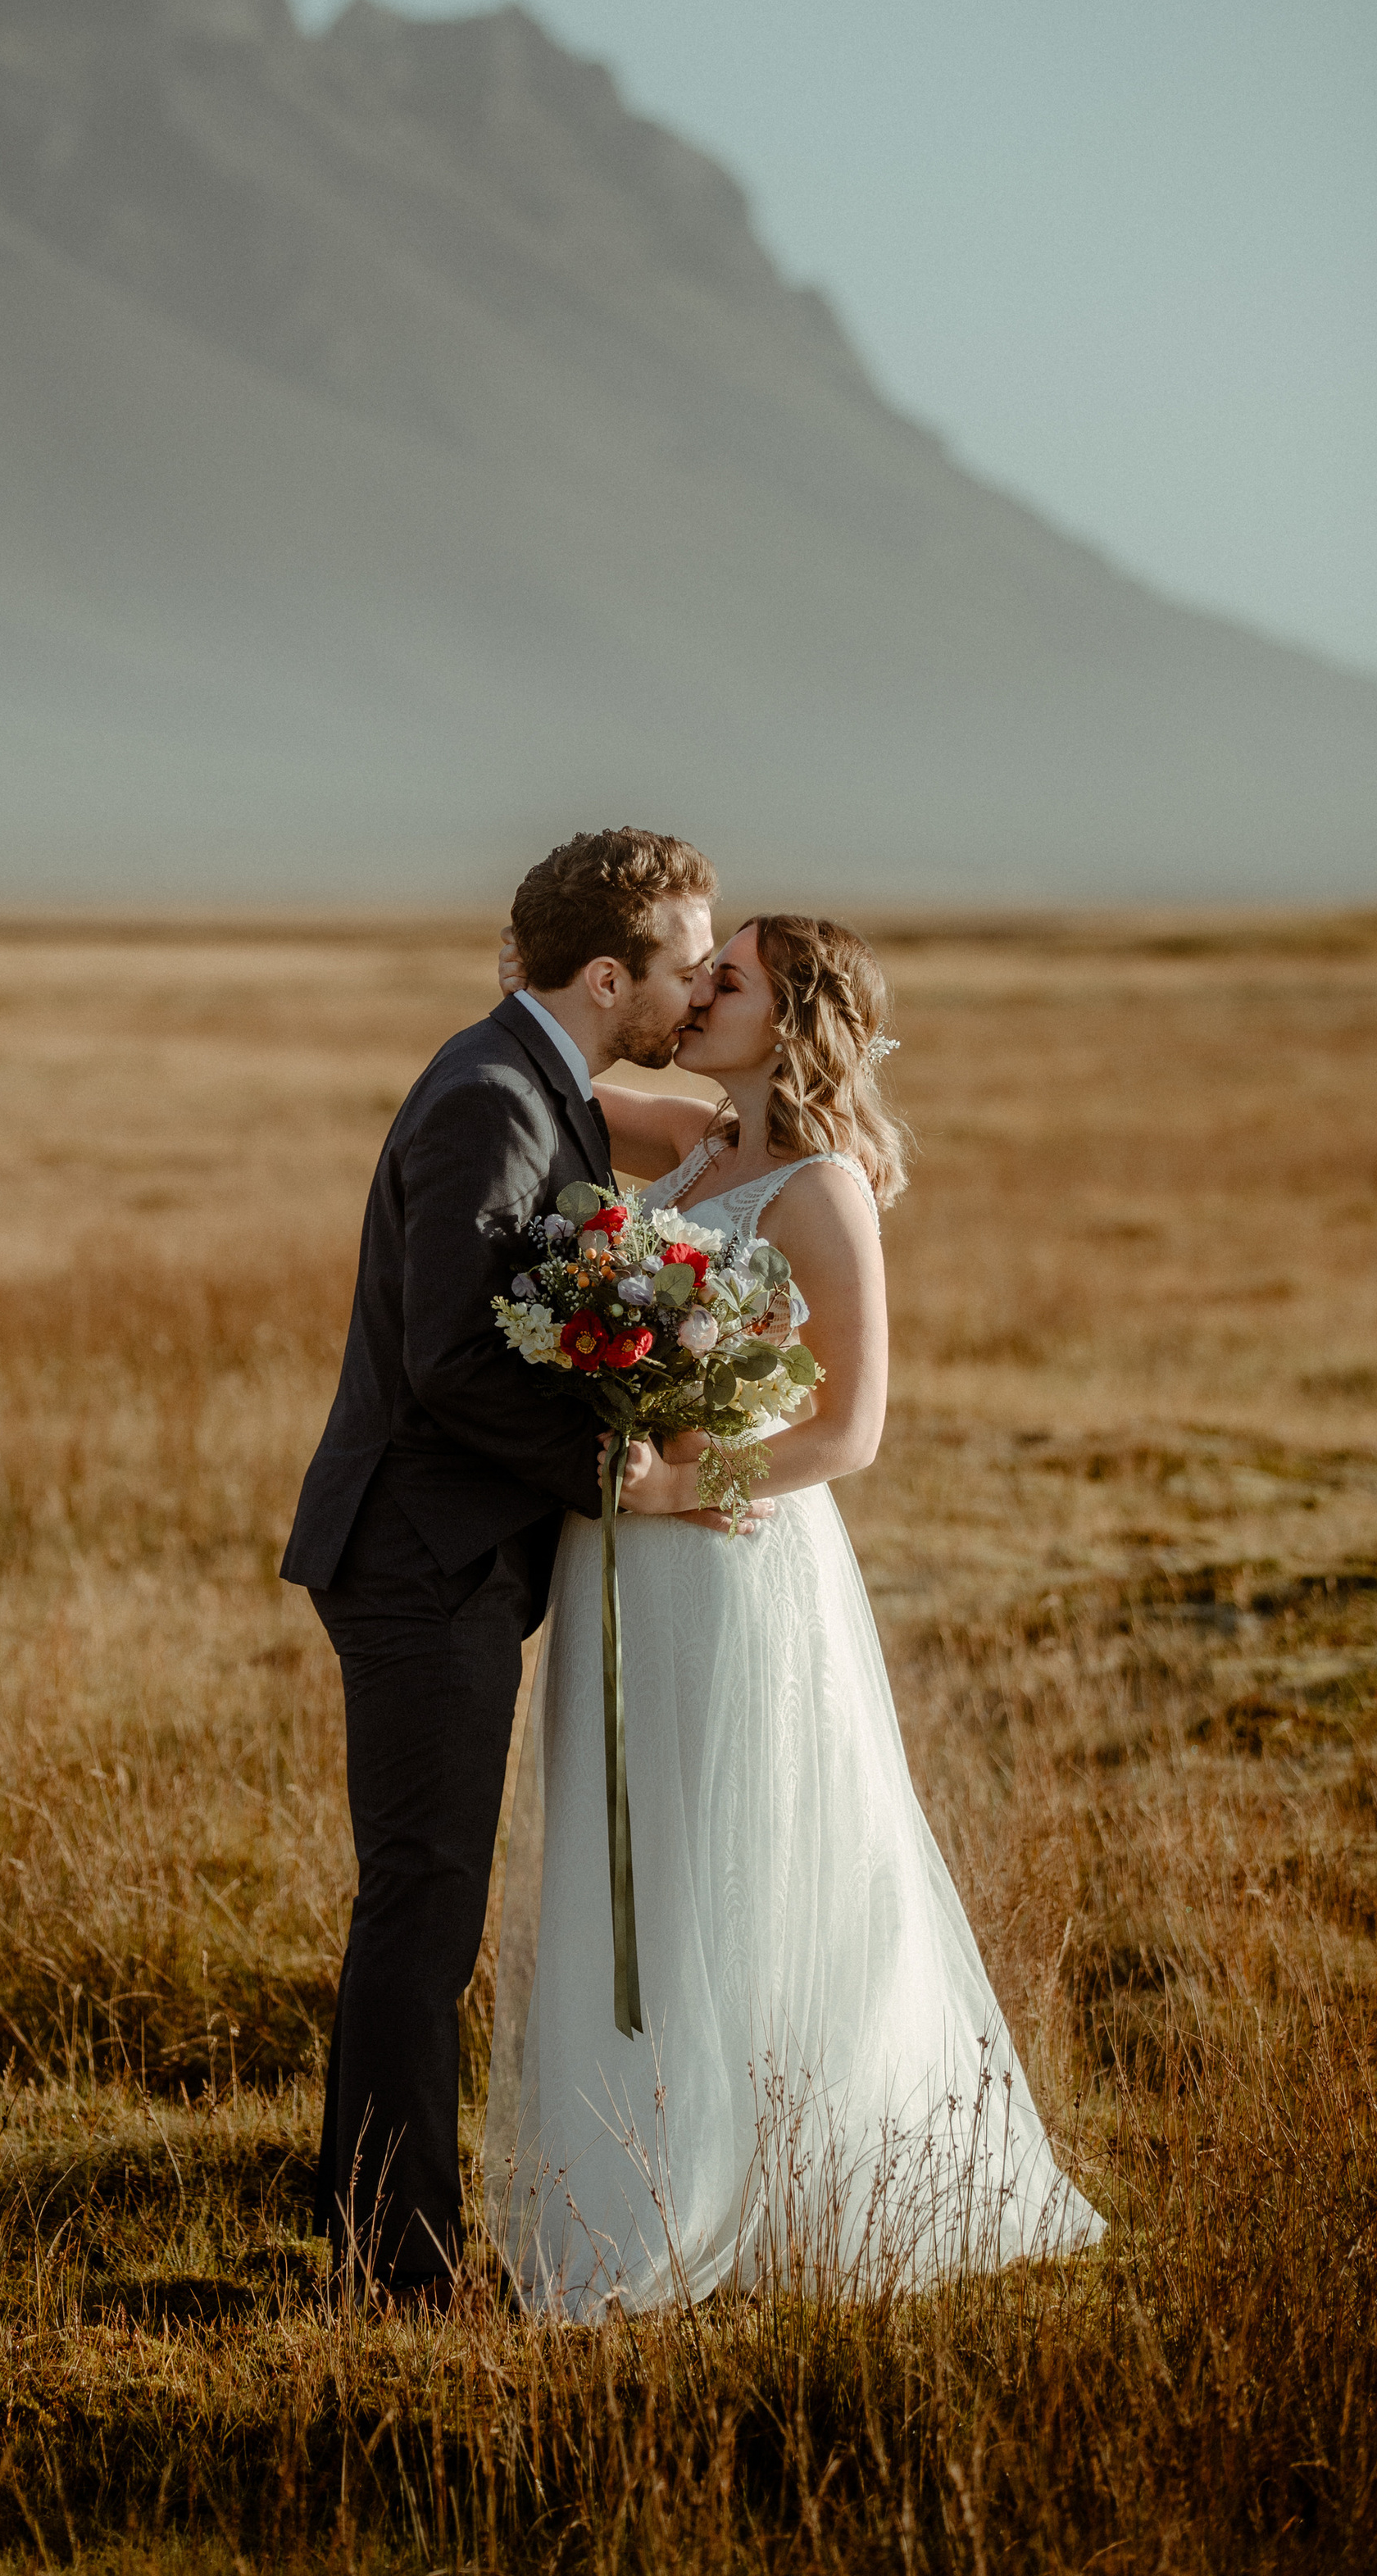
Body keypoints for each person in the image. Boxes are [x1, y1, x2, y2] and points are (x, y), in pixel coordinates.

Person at [484, 912, 1104, 2312]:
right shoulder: (699, 1144)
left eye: (728, 979)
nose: (699, 993)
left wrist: (678, 1484)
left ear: (795, 1014)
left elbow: (855, 1430)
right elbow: (564, 1080)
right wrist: (537, 960)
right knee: (626, 1837)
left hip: (728, 1557)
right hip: (625, 1554)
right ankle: (636, 2167)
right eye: (703, 972)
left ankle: (758, 2179)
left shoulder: (818, 1186)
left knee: (731, 1850)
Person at [281, 826, 723, 2306]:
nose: (702, 981)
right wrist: (628, 1478)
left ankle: (372, 2235)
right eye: (684, 963)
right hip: (419, 1561)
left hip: (448, 1557)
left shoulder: (533, 1082)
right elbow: (456, 1359)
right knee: (423, 1907)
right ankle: (392, 2266)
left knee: (424, 1905)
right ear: (610, 976)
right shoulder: (489, 1100)